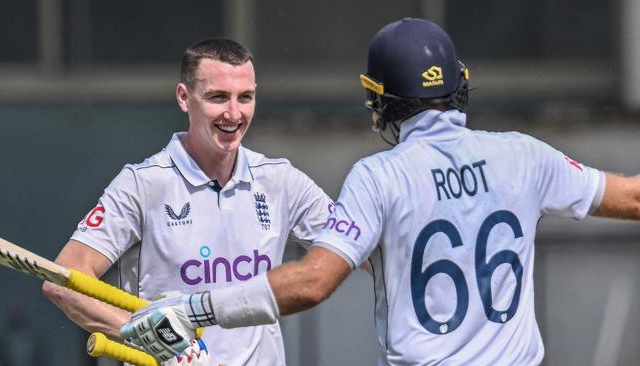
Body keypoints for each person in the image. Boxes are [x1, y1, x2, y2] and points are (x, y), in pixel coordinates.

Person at [120, 18, 640, 365]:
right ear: (459, 82)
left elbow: (312, 282)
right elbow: (633, 198)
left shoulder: (380, 176)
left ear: (382, 101)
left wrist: (195, 310)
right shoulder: (525, 154)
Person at [41, 38, 333, 365]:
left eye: (245, 97)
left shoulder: (281, 181)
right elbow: (63, 280)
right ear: (184, 97)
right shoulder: (142, 183)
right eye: (218, 97)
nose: (234, 113)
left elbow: (362, 248)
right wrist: (150, 337)